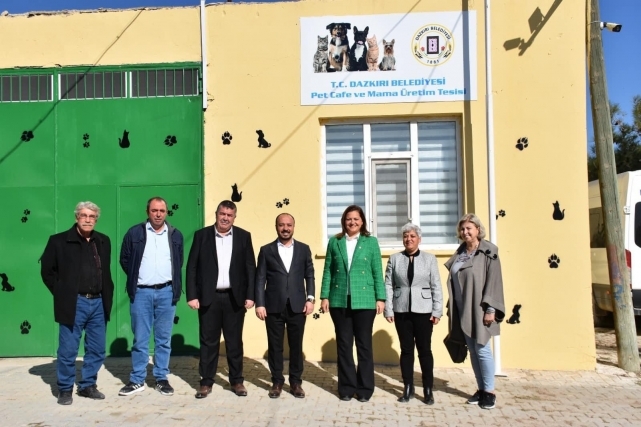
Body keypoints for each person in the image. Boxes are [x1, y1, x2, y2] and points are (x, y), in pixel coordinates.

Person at [40, 201, 114, 405]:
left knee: (97, 349)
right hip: (74, 303)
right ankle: (65, 389)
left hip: (98, 302)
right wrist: (63, 293)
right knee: (68, 350)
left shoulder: (103, 241)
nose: (88, 220)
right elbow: (47, 272)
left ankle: (88, 385)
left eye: (92, 216)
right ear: (77, 217)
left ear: (96, 219)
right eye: (84, 215)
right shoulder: (59, 241)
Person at [186, 200, 256, 399]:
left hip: (235, 298)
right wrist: (192, 295)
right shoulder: (201, 236)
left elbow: (250, 268)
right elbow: (192, 267)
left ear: (234, 217)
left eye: (229, 215)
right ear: (216, 214)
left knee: (234, 342)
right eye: (222, 214)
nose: (225, 218)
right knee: (208, 342)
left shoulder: (243, 236)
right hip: (209, 298)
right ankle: (206, 382)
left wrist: (250, 295)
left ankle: (237, 381)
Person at [118, 197, 184, 397]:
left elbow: (178, 261)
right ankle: (137, 379)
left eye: (162, 211)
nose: (158, 214)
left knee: (163, 339)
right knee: (140, 339)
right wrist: (138, 276)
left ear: (166, 212)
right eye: (154, 210)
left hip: (166, 292)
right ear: (147, 211)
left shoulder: (175, 234)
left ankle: (161, 378)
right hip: (141, 293)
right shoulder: (134, 233)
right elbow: (125, 259)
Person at [320, 205, 385, 402]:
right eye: (349, 219)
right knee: (344, 345)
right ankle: (347, 388)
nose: (352, 222)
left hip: (364, 300)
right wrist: (324, 296)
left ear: (362, 221)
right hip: (339, 300)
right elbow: (328, 270)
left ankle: (365, 389)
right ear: (344, 221)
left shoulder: (371, 242)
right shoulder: (335, 241)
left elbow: (377, 270)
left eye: (356, 219)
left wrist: (380, 298)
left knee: (364, 346)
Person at [444, 213, 505, 410]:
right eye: (462, 229)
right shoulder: (461, 252)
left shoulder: (488, 252)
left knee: (482, 348)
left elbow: (494, 281)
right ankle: (481, 389)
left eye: (469, 228)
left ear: (478, 230)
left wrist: (491, 309)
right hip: (461, 309)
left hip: (479, 308)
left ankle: (490, 392)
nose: (465, 232)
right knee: (472, 350)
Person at [255, 213, 315, 399]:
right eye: (281, 225)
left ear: (294, 227)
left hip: (298, 305)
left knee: (296, 346)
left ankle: (296, 382)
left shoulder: (304, 249)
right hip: (273, 306)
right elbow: (260, 279)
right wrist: (260, 303)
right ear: (276, 226)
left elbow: (309, 275)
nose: (285, 228)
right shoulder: (266, 250)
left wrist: (310, 298)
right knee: (275, 346)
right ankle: (277, 381)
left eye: (289, 225)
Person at [384, 223, 442, 405]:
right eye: (405, 236)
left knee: (425, 350)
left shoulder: (429, 259)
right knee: (406, 350)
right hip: (401, 311)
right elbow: (388, 285)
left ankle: (428, 389)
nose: (408, 239)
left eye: (412, 236)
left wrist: (437, 310)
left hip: (424, 311)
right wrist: (388, 308)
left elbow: (436, 285)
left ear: (419, 239)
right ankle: (408, 387)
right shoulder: (394, 259)